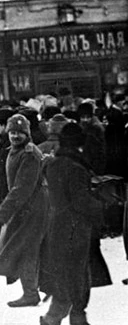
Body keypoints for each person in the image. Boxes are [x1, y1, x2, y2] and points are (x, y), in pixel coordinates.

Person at [38, 123, 112, 325]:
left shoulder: (53, 164)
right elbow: (82, 202)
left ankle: (58, 318)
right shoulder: (76, 168)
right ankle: (68, 318)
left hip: (57, 225)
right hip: (76, 228)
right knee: (77, 275)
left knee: (63, 274)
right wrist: (103, 206)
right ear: (79, 144)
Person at [0, 114, 49, 308]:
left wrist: (3, 212)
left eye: (19, 133)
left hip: (33, 207)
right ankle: (32, 291)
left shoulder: (29, 154)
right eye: (12, 132)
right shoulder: (15, 151)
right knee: (25, 249)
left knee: (26, 250)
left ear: (27, 134)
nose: (15, 136)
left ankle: (31, 293)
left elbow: (23, 187)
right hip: (25, 207)